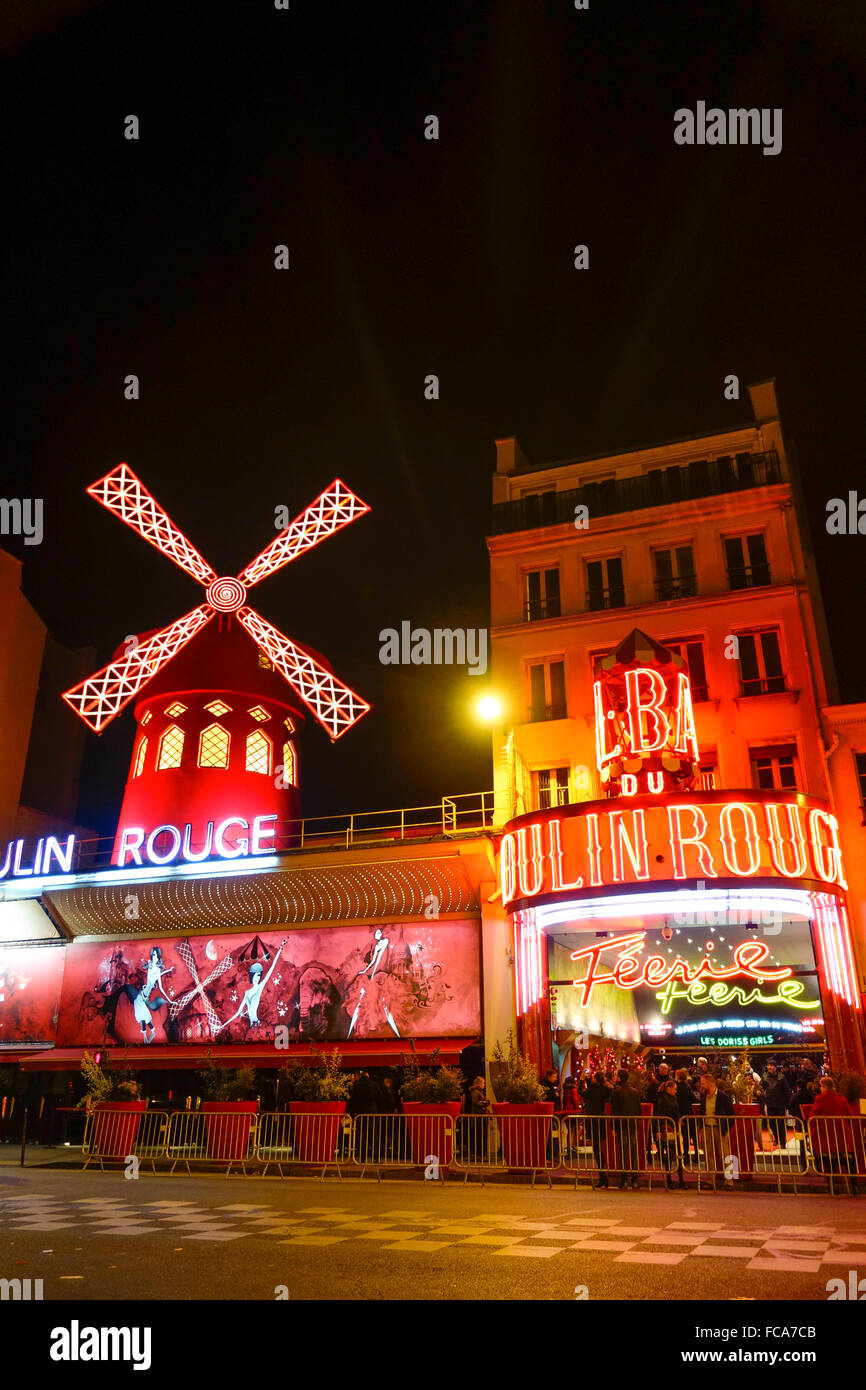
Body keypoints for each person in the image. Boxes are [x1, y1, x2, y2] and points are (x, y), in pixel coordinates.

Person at [810, 1076, 857, 1195]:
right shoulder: (841, 1099)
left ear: (824, 1087)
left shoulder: (820, 1099)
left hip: (827, 1136)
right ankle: (853, 1186)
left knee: (830, 1163)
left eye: (821, 1086)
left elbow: (813, 1116)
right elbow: (850, 1114)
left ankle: (832, 1187)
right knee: (849, 1163)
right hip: (843, 1137)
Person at [698, 1073, 735, 1189]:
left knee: (725, 1155)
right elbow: (702, 1112)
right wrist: (701, 1128)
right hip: (707, 1128)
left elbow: (731, 1115)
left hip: (720, 1129)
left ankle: (729, 1182)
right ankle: (710, 1180)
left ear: (710, 1083)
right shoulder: (703, 1096)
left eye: (703, 1083)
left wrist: (725, 1128)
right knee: (709, 1155)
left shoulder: (723, 1097)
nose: (701, 1085)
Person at [610, 1068, 642, 1190]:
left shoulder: (616, 1091)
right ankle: (634, 1180)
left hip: (621, 1125)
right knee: (633, 1153)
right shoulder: (634, 1091)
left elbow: (614, 1110)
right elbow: (639, 1110)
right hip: (632, 1125)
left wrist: (613, 1126)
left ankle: (624, 1179)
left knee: (623, 1153)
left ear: (619, 1078)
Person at [653, 1077, 683, 1189]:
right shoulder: (662, 1099)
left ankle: (681, 1180)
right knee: (669, 1156)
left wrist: (678, 1125)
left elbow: (676, 1112)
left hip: (673, 1128)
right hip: (666, 1129)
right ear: (669, 1088)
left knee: (678, 1154)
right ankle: (669, 1180)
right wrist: (659, 1130)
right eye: (674, 1088)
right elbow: (659, 1115)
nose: (676, 1090)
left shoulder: (674, 1098)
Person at [582, 1071, 611, 1189]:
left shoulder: (593, 1091)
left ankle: (602, 1175)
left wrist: (581, 1081)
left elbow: (583, 1093)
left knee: (597, 1148)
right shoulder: (606, 1090)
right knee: (601, 1148)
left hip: (593, 1121)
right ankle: (603, 1175)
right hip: (602, 1119)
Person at [763, 1062, 792, 1149]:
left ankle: (783, 1142)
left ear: (775, 1067)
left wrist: (787, 1105)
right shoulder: (764, 1077)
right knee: (772, 1123)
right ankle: (776, 1138)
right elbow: (761, 1087)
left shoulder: (781, 1077)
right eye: (768, 1065)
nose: (769, 1067)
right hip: (770, 1103)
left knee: (781, 1123)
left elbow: (787, 1091)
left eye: (771, 1065)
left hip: (780, 1104)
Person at [467, 1075, 491, 1165]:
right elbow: (476, 1103)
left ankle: (480, 1154)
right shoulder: (475, 1092)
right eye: (483, 1082)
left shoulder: (478, 1091)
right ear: (479, 1083)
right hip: (478, 1118)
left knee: (481, 1136)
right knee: (479, 1136)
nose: (484, 1084)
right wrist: (485, 1102)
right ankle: (478, 1154)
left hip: (480, 1117)